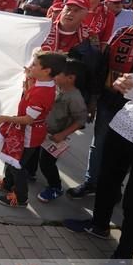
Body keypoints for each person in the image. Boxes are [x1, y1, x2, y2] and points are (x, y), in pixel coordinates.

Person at [64, 41, 133, 260]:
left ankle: (122, 258)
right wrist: (124, 83)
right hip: (123, 126)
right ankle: (98, 225)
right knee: (107, 181)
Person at [68, 0, 133, 198]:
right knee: (100, 145)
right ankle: (93, 183)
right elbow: (103, 67)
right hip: (111, 101)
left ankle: (116, 190)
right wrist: (93, 100)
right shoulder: (124, 34)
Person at [0, 51, 66, 208]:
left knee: (18, 165)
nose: (31, 67)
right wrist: (29, 78)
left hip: (29, 134)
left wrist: (5, 118)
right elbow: (30, 93)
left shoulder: (42, 93)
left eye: (35, 64)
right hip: (24, 131)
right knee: (12, 158)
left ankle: (21, 198)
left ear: (47, 71)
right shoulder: (43, 82)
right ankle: (8, 184)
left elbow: (29, 119)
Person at [35, 59, 88, 202]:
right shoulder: (57, 86)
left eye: (58, 73)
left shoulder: (75, 98)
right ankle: (30, 173)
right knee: (34, 153)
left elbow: (81, 119)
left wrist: (62, 134)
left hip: (55, 137)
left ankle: (55, 187)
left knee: (46, 163)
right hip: (43, 131)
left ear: (70, 78)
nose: (54, 75)